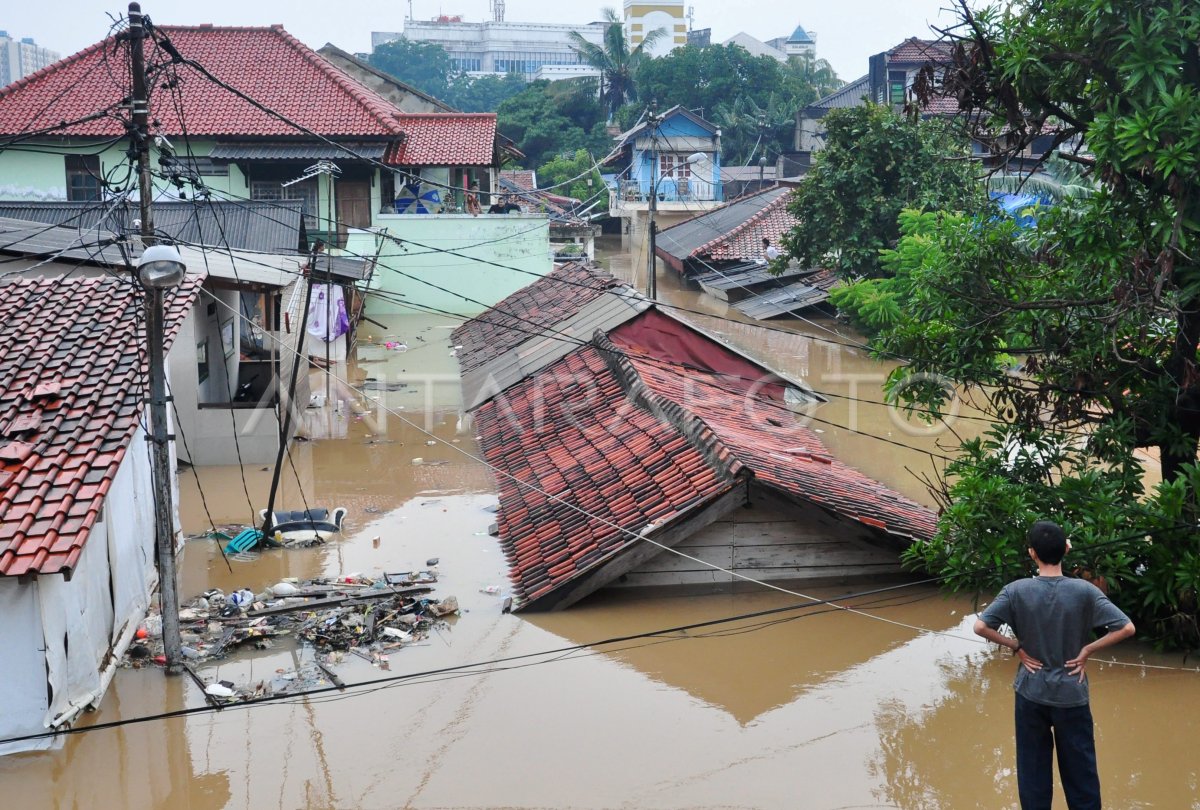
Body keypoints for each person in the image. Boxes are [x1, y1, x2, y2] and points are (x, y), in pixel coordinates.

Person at [975, 520, 1135, 810]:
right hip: (1072, 694)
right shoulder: (1085, 592)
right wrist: (1087, 649)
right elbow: (1126, 628)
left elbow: (980, 627)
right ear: (1067, 549)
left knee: (1033, 775)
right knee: (1082, 777)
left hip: (1030, 691)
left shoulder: (1015, 590)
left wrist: (1016, 647)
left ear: (1032, 553)